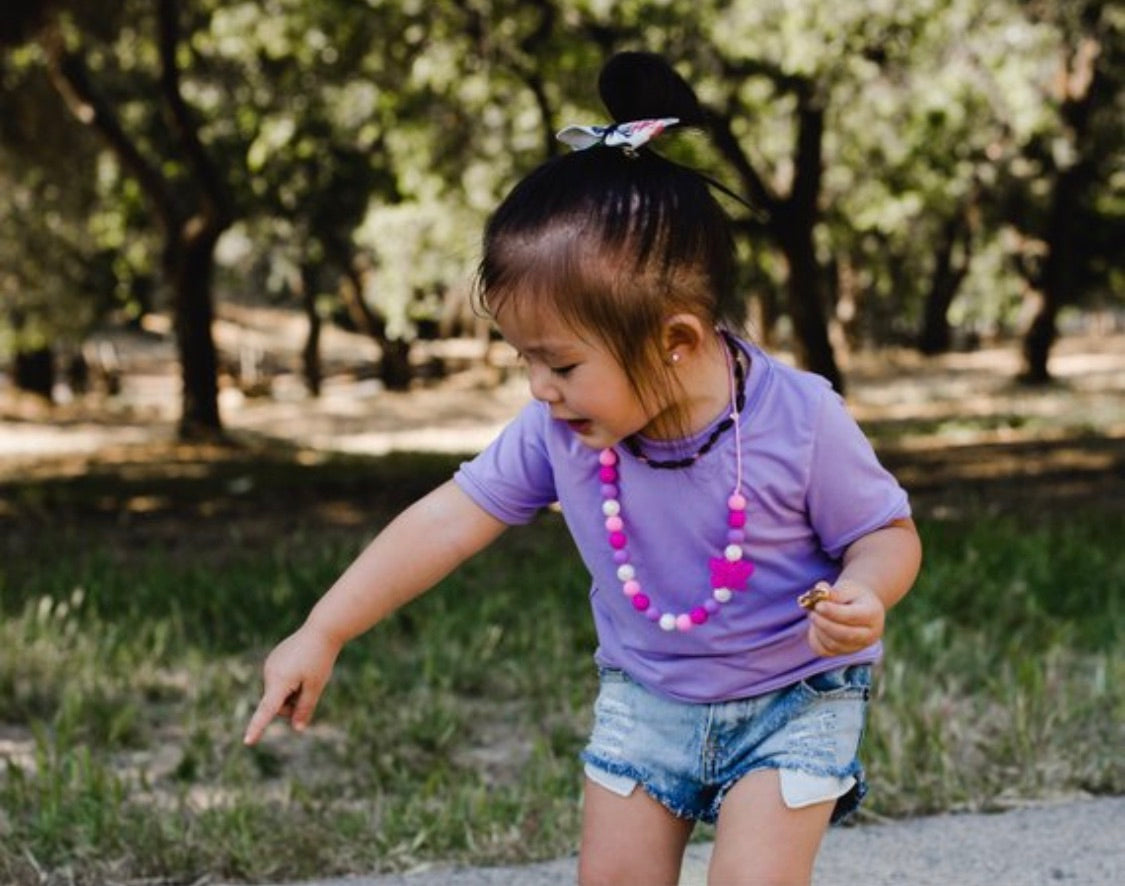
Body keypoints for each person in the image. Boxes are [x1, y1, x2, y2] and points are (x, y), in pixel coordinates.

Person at [243, 51, 922, 886]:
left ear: (674, 340)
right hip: (646, 699)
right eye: (525, 361)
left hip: (794, 699)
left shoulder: (801, 417)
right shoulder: (559, 433)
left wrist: (868, 592)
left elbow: (885, 534)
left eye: (560, 365)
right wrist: (325, 628)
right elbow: (448, 520)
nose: (539, 389)